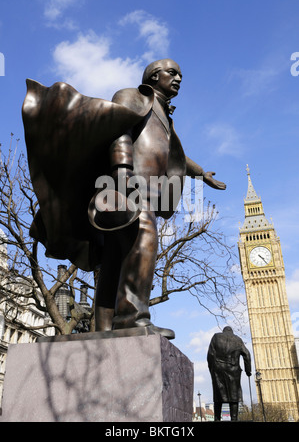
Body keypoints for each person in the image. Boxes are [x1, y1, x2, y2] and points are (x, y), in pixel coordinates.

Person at [22, 58, 226, 339]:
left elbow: (174, 156)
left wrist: (201, 173)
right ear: (154, 76)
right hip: (126, 187)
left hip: (147, 191)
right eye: (173, 72)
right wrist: (123, 172)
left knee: (115, 258)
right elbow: (118, 128)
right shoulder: (132, 96)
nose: (179, 78)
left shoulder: (166, 117)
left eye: (180, 74)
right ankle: (133, 318)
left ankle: (104, 327)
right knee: (144, 236)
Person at [207, 326, 252, 421]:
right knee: (234, 396)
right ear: (232, 331)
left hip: (218, 369)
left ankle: (217, 418)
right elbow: (247, 355)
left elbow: (210, 355)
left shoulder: (216, 337)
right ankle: (234, 419)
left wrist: (212, 369)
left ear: (223, 331)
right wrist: (248, 370)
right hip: (233, 370)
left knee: (218, 395)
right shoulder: (238, 339)